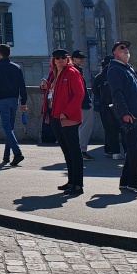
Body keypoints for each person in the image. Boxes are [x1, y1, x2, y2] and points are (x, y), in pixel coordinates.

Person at [107, 42, 137, 194]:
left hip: (136, 113)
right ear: (115, 53)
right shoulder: (115, 69)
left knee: (133, 148)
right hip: (129, 115)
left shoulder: (127, 68)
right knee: (136, 148)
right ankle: (135, 183)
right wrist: (125, 113)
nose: (126, 51)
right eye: (122, 49)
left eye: (127, 48)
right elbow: (117, 93)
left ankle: (125, 182)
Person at [45, 49, 86, 195]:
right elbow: (53, 94)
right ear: (54, 60)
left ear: (67, 59)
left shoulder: (72, 72)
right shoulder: (55, 74)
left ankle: (78, 184)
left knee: (74, 151)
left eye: (63, 57)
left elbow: (79, 94)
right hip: (56, 117)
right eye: (57, 58)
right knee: (67, 151)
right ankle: (71, 182)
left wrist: (66, 112)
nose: (60, 60)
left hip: (68, 118)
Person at [0, 43, 27, 167]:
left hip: (2, 100)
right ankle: (6, 156)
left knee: (6, 127)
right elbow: (22, 86)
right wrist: (23, 101)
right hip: (14, 99)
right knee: (9, 127)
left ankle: (17, 153)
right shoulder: (16, 67)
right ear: (9, 53)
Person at [93, 58, 122, 158]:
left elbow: (95, 91)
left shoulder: (98, 77)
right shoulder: (116, 75)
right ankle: (117, 152)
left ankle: (110, 150)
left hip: (103, 106)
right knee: (118, 129)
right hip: (116, 105)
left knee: (109, 129)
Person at [71, 50, 95, 160]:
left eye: (82, 58)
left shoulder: (75, 70)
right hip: (82, 103)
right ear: (73, 59)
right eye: (79, 58)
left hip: (79, 103)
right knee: (85, 127)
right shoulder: (75, 70)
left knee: (80, 128)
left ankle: (78, 150)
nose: (81, 60)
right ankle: (82, 150)